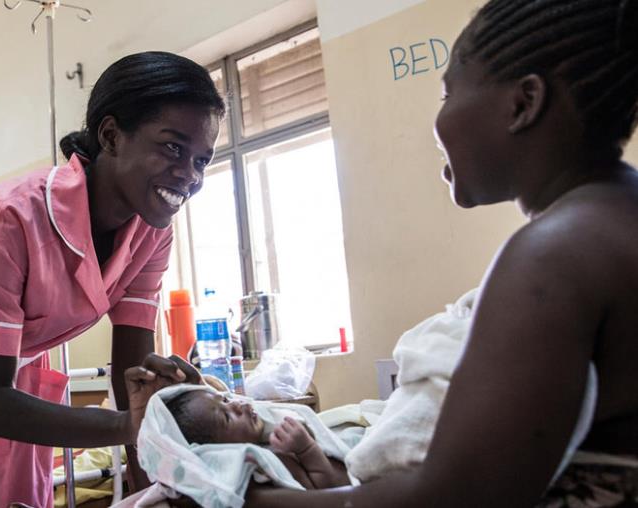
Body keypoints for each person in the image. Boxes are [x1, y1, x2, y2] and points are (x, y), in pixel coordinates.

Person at [246, 0, 638, 506]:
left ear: (523, 104)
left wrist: (237, 499)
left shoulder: (555, 252)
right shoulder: (612, 218)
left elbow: (452, 497)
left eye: (448, 92)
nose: (438, 121)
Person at [0, 51, 224, 508]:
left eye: (202, 160)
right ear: (111, 135)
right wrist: (130, 424)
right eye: (173, 147)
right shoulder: (11, 216)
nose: (189, 176)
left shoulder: (152, 233)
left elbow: (133, 375)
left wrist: (153, 485)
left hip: (12, 374)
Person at [166, 389, 349, 489]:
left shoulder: (268, 441)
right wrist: (306, 449)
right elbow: (326, 488)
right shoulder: (270, 461)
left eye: (226, 401)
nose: (237, 405)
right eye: (227, 417)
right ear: (220, 451)